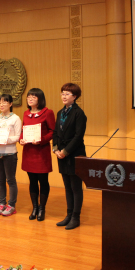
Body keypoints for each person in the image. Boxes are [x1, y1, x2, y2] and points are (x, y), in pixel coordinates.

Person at [53, 83, 87, 230]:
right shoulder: (60, 112)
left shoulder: (79, 113)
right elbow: (55, 133)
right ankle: (68, 215)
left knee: (76, 187)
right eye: (62, 93)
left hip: (74, 154)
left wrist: (65, 151)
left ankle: (76, 217)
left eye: (67, 94)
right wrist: (55, 149)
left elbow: (78, 136)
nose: (64, 96)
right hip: (61, 154)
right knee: (67, 187)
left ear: (75, 96)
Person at [20, 88, 55, 222]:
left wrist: (41, 140)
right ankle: (34, 207)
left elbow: (52, 131)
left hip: (41, 152)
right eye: (29, 96)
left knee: (43, 180)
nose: (30, 99)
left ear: (40, 99)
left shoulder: (48, 113)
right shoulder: (26, 113)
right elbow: (23, 130)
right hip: (29, 151)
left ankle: (42, 208)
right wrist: (21, 139)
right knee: (32, 181)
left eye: (34, 97)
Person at [0, 94, 22, 216]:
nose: (1, 105)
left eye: (4, 102)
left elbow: (17, 137)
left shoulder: (15, 119)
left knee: (10, 180)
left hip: (9, 153)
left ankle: (11, 205)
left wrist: (5, 139)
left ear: (11, 104)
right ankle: (2, 203)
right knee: (0, 180)